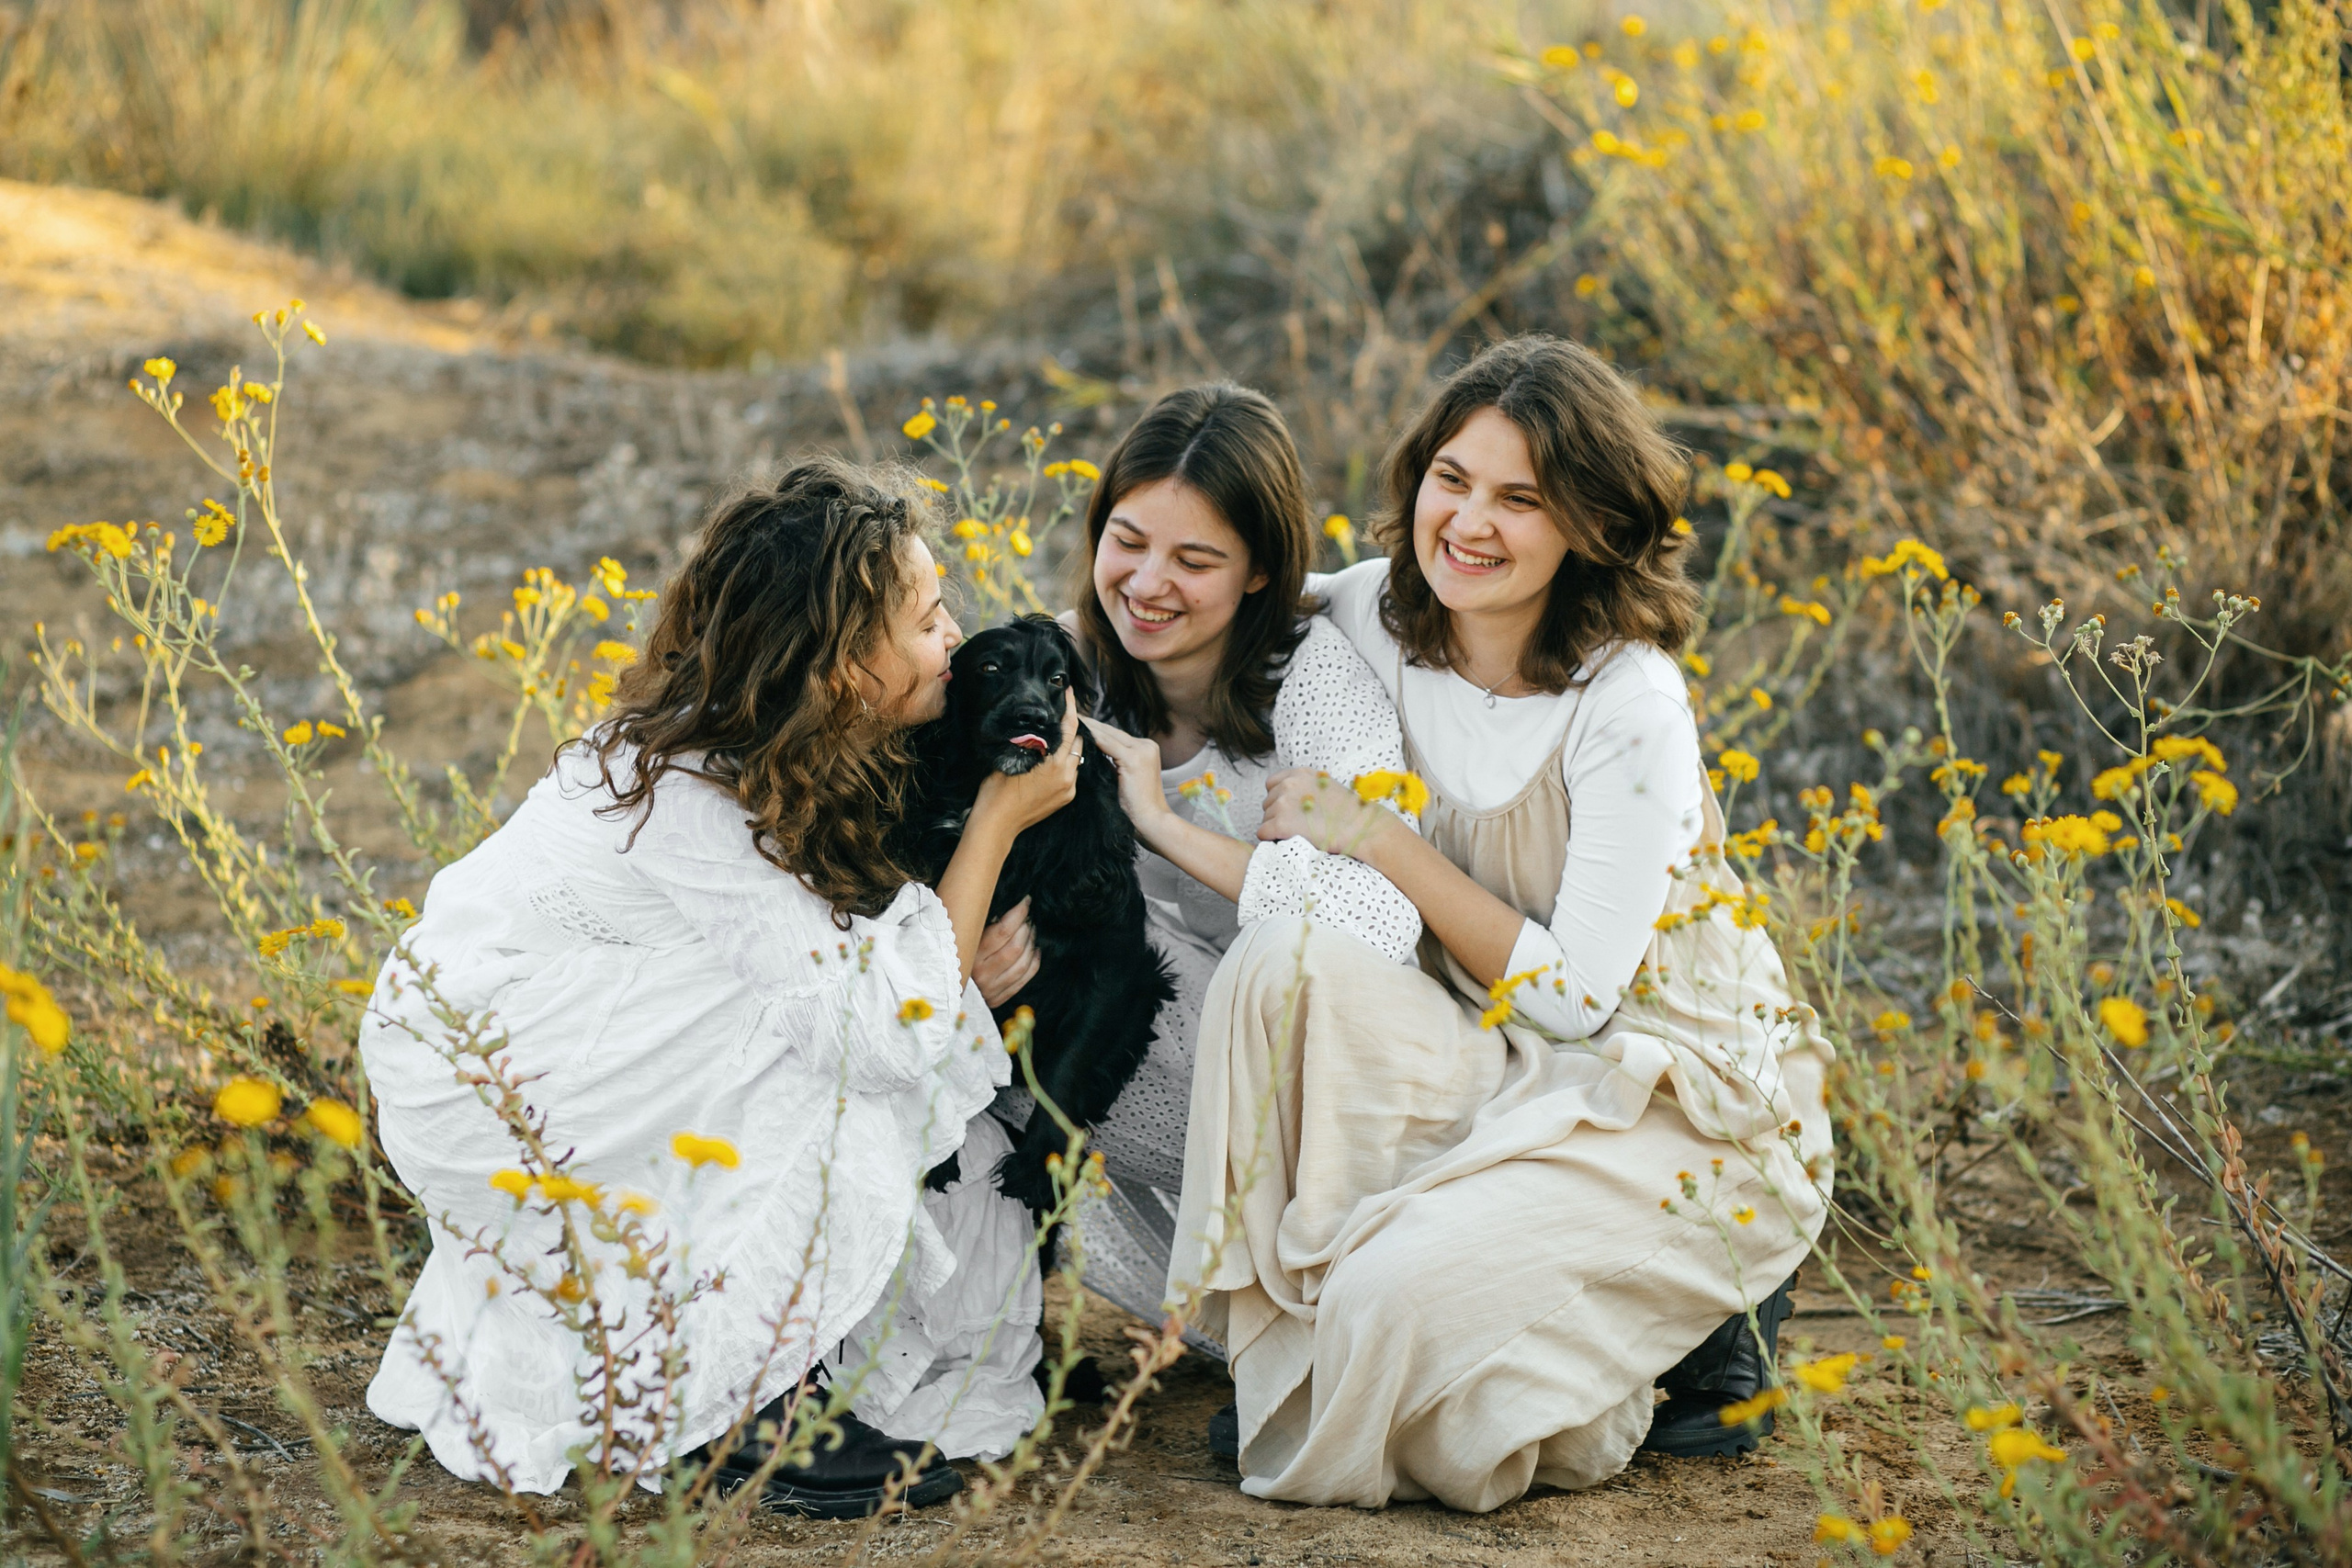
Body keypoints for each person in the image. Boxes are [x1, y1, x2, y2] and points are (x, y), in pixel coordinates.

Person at [1167, 335, 1837, 1511]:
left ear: (1591, 523)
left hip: (1664, 1088)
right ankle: (1318, 1343)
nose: (1469, 523)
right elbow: (1199, 602)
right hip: (1489, 1050)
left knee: (1394, 1312)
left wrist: (1374, 836)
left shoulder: (1630, 705)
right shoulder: (1372, 611)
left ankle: (1699, 1313)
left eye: (1520, 500)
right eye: (1452, 479)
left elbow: (1577, 1000)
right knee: (1283, 960)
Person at [360, 460, 1080, 1517]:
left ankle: (757, 1340)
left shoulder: (765, 744)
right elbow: (885, 1033)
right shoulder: (698, 799)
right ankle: (739, 1401)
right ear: (843, 668)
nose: (953, 639)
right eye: (928, 622)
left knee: (831, 997)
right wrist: (996, 826)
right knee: (826, 1040)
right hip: (481, 1085)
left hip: (525, 1042)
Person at [971, 384, 1423, 1334]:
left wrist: (1161, 822)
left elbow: (1383, 923)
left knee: (1140, 984)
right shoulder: (1058, 669)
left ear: (1258, 573)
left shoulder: (1312, 679)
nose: (1146, 584)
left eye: (1194, 560)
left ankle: (1326, 1280)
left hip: (1318, 1082)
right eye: (1127, 541)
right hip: (1149, 1063)